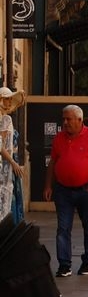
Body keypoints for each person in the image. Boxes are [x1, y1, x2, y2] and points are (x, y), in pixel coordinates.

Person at [44, 105, 88, 277]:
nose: (65, 122)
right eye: (63, 119)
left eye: (68, 119)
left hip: (86, 190)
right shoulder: (59, 138)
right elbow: (52, 163)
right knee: (63, 228)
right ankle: (64, 265)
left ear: (80, 120)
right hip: (63, 191)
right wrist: (48, 185)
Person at [0, 87, 24, 222]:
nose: (9, 102)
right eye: (6, 98)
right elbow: (0, 145)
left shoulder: (5, 117)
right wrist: (12, 162)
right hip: (7, 162)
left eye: (10, 99)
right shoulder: (5, 119)